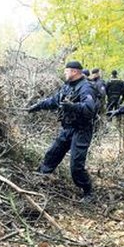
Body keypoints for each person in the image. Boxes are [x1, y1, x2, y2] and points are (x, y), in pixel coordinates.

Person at [28, 61, 97, 203]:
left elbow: (90, 109)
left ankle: (88, 191)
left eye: (66, 71)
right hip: (68, 128)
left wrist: (73, 106)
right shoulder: (67, 86)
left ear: (75, 72)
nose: (64, 73)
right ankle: (39, 180)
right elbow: (54, 100)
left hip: (82, 130)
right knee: (52, 154)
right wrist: (38, 106)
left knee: (76, 166)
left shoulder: (86, 87)